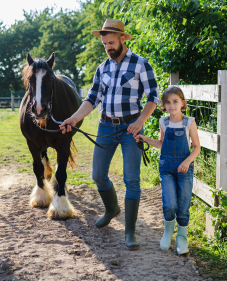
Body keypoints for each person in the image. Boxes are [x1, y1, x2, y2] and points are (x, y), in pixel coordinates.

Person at [59, 19, 159, 250]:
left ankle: (130, 232)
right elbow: (92, 99)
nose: (108, 48)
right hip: (105, 126)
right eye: (105, 44)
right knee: (98, 175)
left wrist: (140, 121)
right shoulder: (102, 68)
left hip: (130, 129)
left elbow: (154, 96)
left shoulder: (141, 64)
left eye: (111, 43)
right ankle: (112, 209)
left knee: (131, 179)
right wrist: (74, 118)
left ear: (123, 39)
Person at [135, 86, 201, 254]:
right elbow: (162, 143)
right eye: (168, 102)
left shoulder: (189, 122)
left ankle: (181, 237)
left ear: (182, 103)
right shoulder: (163, 122)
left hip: (185, 168)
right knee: (170, 203)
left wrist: (187, 162)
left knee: (183, 203)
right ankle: (168, 231)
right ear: (164, 105)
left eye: (175, 101)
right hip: (167, 167)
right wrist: (145, 139)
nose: (172, 105)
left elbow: (196, 147)